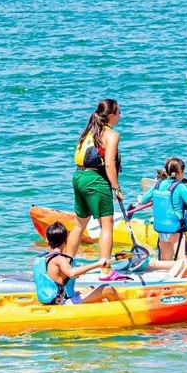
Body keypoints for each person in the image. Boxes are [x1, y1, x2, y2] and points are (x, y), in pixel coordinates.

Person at [68, 99, 124, 265]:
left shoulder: (90, 131)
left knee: (80, 224)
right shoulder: (112, 135)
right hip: (95, 181)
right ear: (111, 115)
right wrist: (117, 188)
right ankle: (105, 268)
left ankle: (67, 262)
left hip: (79, 177)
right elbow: (108, 164)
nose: (121, 115)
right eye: (119, 112)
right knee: (106, 225)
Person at [33, 222, 112, 304]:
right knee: (108, 289)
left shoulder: (45, 258)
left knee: (92, 288)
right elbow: (71, 273)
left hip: (53, 300)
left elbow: (60, 275)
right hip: (63, 302)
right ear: (66, 240)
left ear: (47, 240)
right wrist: (98, 264)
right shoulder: (60, 259)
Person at [139, 158, 187, 262]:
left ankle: (152, 265)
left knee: (165, 262)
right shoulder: (181, 187)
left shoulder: (158, 184)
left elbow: (142, 200)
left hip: (162, 231)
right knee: (184, 262)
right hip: (176, 231)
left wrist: (138, 198)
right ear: (180, 172)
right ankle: (151, 265)